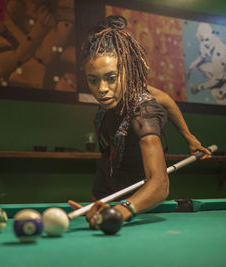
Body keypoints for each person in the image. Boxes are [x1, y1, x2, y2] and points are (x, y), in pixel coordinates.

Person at [69, 16, 211, 225]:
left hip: (137, 198)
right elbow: (166, 98)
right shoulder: (128, 89)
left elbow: (160, 185)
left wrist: (120, 211)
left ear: (127, 72)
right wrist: (189, 137)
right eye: (93, 80)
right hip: (109, 181)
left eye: (110, 77)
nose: (101, 89)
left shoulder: (144, 115)